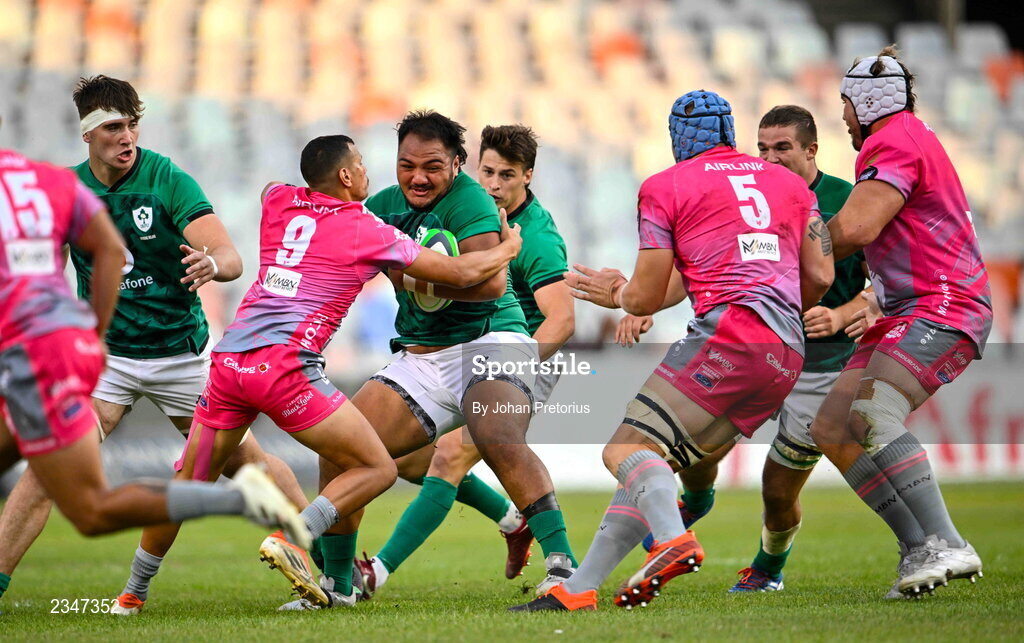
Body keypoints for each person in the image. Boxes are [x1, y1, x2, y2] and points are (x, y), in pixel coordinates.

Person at [128, 134, 523, 611]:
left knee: (189, 482)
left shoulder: (277, 200)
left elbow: (271, 187)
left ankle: (132, 594)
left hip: (230, 363)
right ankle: (298, 536)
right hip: (285, 369)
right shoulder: (365, 228)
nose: (366, 171)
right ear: (345, 176)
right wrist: (508, 248)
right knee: (376, 467)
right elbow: (460, 275)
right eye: (359, 164)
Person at [512, 89, 833, 612]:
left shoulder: (666, 186)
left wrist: (616, 293)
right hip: (786, 353)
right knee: (649, 465)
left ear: (677, 138)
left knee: (621, 450)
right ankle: (579, 588)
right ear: (731, 131)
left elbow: (641, 294)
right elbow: (820, 276)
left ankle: (673, 539)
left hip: (731, 334)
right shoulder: (786, 183)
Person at [0, 75, 307, 610]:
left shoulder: (167, 178)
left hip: (181, 356)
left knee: (247, 460)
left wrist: (213, 263)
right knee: (47, 471)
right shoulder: (69, 192)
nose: (128, 137)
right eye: (114, 127)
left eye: (132, 125)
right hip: (109, 362)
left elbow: (231, 258)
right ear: (88, 134)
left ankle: (324, 559)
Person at [291, 111, 578, 610]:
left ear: (456, 165)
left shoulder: (471, 201)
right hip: (420, 357)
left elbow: (489, 285)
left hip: (491, 340)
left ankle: (565, 574)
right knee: (339, 448)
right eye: (407, 165)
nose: (418, 177)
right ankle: (336, 589)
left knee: (494, 433)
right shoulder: (382, 207)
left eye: (432, 166)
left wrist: (411, 276)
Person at [618, 105, 871, 592]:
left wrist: (841, 314)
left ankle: (767, 569)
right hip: (760, 347)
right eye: (762, 148)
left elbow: (881, 282)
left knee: (777, 489)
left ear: (811, 150)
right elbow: (706, 268)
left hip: (821, 366)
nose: (770, 158)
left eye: (783, 148)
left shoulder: (845, 201)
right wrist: (646, 302)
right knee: (694, 450)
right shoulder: (755, 193)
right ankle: (692, 504)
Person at [811, 46, 992, 599]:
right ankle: (921, 548)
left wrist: (778, 248)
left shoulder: (893, 138)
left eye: (844, 104)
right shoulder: (908, 136)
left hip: (942, 303)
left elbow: (857, 228)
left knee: (873, 411)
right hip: (907, 309)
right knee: (833, 429)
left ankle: (948, 540)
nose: (842, 117)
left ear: (864, 101)